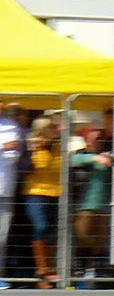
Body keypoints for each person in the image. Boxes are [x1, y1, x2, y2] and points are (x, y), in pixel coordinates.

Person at [71, 127, 114, 280]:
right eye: (96, 139)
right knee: (83, 238)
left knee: (99, 240)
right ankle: (80, 271)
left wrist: (110, 157)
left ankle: (97, 271)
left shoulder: (107, 155)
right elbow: (75, 160)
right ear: (87, 141)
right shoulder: (80, 156)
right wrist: (95, 158)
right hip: (84, 205)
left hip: (102, 206)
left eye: (102, 139)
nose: (100, 142)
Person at [24, 116, 63, 287]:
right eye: (52, 126)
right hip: (36, 192)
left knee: (52, 231)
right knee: (40, 226)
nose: (56, 129)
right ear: (42, 129)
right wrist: (29, 150)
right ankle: (42, 269)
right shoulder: (33, 146)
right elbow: (25, 167)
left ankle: (50, 270)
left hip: (56, 193)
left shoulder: (60, 146)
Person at [0, 104, 23, 289]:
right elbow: (6, 151)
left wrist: (5, 150)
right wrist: (2, 146)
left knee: (1, 237)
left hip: (5, 188)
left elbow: (12, 156)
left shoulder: (11, 125)